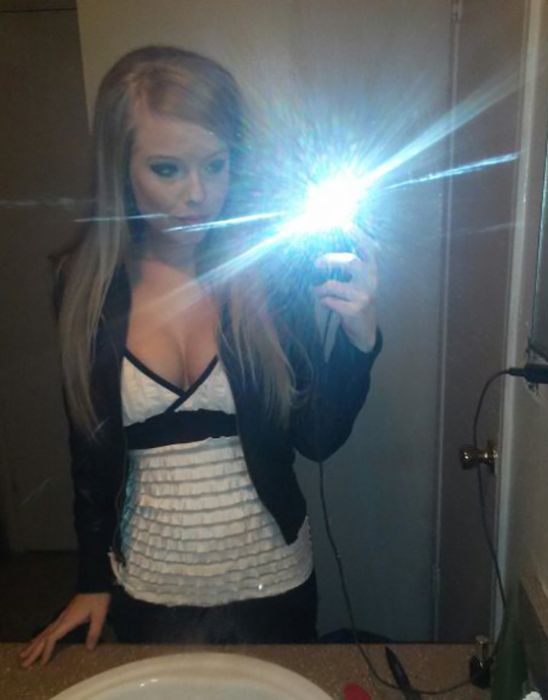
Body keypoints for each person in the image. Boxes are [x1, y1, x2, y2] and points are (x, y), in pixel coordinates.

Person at [21, 45, 380, 667]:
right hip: (150, 592)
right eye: (167, 169)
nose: (198, 195)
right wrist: (91, 579)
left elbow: (318, 438)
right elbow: (89, 452)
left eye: (216, 165)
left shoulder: (269, 272)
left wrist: (358, 337)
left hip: (276, 581)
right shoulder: (83, 284)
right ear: (120, 169)